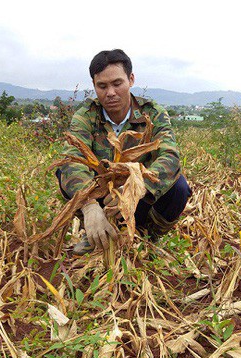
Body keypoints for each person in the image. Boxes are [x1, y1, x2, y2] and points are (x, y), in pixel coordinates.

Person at [56, 49, 192, 255]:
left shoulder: (153, 113)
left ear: (131, 79)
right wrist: (89, 205)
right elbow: (71, 159)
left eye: (117, 84)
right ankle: (95, 231)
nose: (110, 92)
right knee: (64, 171)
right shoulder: (86, 116)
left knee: (179, 187)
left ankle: (148, 236)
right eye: (102, 86)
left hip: (140, 198)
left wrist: (135, 188)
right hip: (102, 197)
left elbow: (170, 157)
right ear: (94, 86)